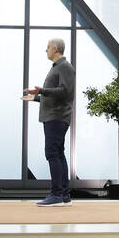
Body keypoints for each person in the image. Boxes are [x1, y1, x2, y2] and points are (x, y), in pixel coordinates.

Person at [23, 38, 75, 206]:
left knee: (52, 153)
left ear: (54, 48)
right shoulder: (58, 67)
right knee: (58, 153)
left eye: (47, 47)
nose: (45, 50)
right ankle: (64, 196)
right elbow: (54, 95)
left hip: (57, 116)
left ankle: (57, 195)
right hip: (54, 115)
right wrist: (36, 97)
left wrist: (43, 91)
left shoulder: (65, 67)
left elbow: (65, 91)